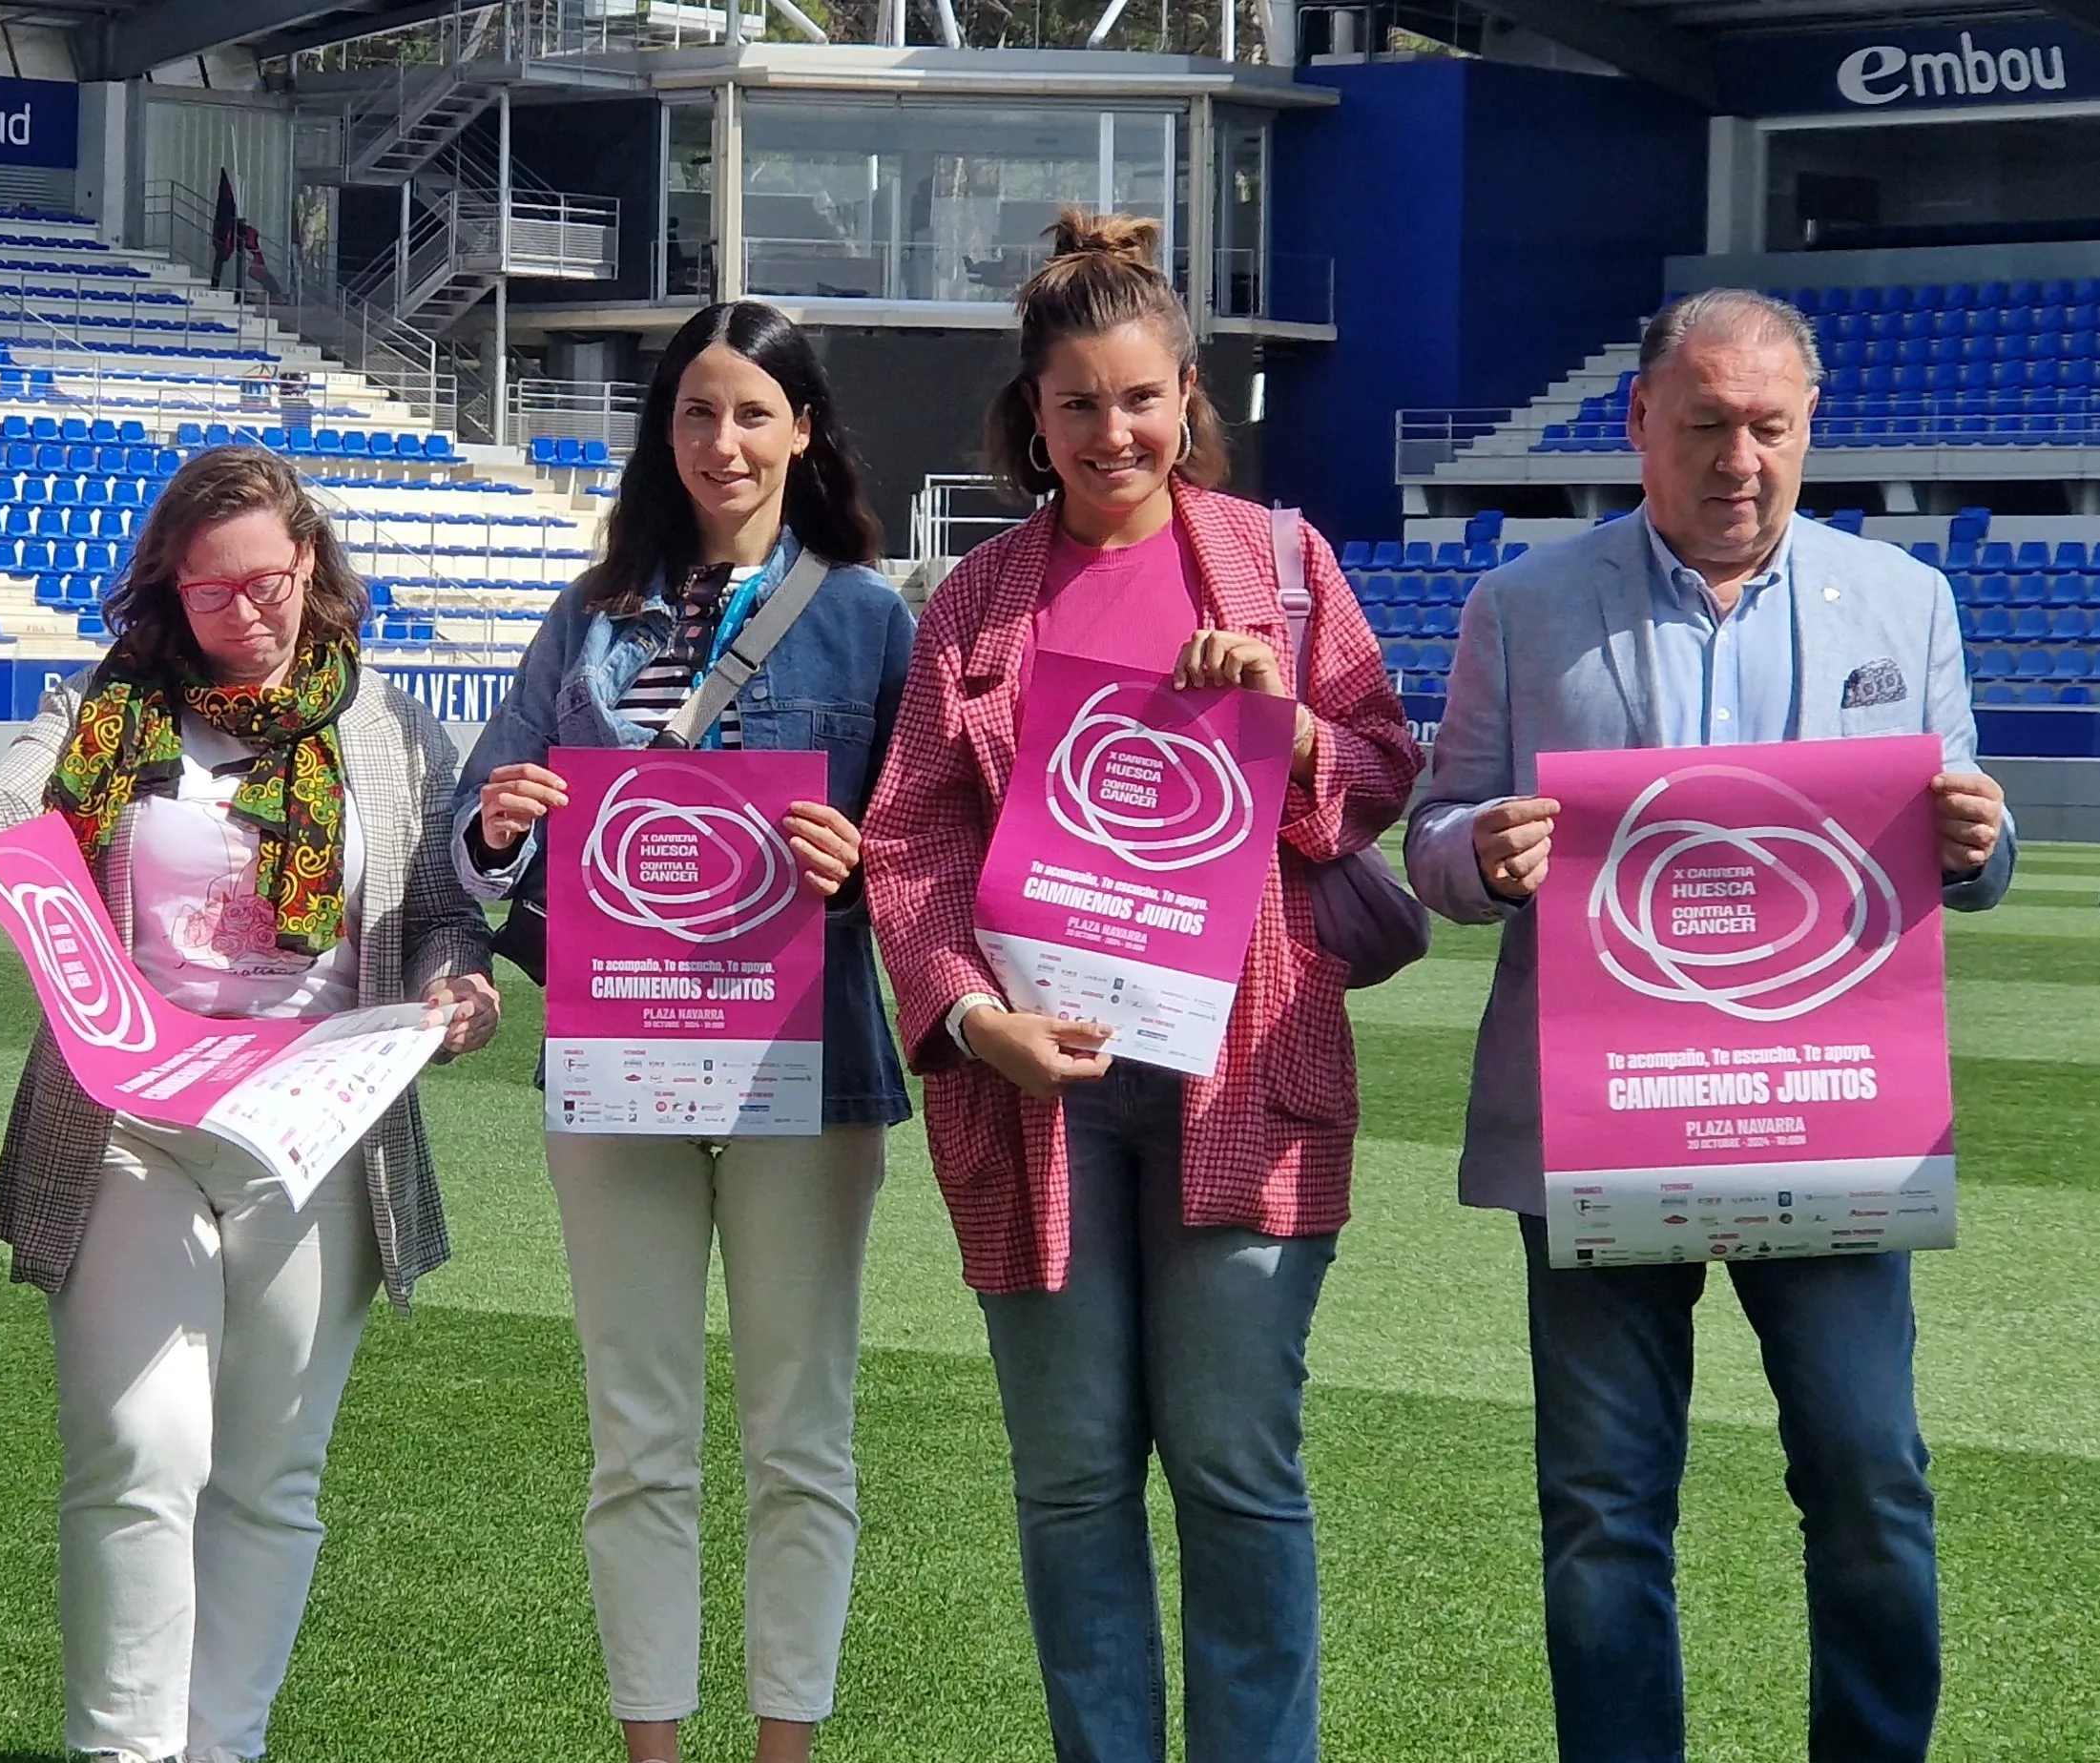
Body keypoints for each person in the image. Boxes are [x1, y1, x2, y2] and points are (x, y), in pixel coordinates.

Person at [1403, 287, 2011, 1763]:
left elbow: (1966, 856)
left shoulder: (1905, 600)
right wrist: (1482, 850)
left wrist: (1980, 842)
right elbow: (1429, 833)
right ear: (1639, 428)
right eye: (1706, 425)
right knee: (1606, 1505)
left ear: (1809, 430)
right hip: (1603, 1120)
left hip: (1836, 1116)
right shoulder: (1523, 606)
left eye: (1770, 426)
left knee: (1872, 1475)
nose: (1740, 457)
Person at [856, 212, 1419, 1763]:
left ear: (1191, 394)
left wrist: (1298, 733)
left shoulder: (1285, 569)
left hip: (1244, 1076)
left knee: (1239, 1472)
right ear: (1029, 419)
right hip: (1042, 1095)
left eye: (1143, 396)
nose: (1116, 431)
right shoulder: (974, 601)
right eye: (1080, 402)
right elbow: (907, 843)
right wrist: (977, 1021)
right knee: (1074, 1481)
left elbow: (1380, 772)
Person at [0, 444, 501, 1763]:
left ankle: (223, 1745)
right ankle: (124, 1752)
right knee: (135, 1451)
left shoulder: (389, 730)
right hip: (128, 1118)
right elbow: (18, 794)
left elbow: (445, 913)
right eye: (216, 592)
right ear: (170, 590)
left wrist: (463, 992)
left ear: (314, 569)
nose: (253, 613)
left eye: (274, 581)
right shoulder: (109, 709)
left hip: (316, 1127)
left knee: (272, 1478)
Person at [448, 300, 911, 1763]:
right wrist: (499, 824)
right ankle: (651, 1750)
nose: (724, 441)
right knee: (637, 1437)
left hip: (807, 1065)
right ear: (667, 431)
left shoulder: (871, 617)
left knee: (800, 1437)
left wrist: (867, 862)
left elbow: (932, 854)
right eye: (699, 412)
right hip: (618, 1059)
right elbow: (479, 834)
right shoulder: (589, 614)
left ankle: (787, 1750)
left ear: (806, 432)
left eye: (754, 413)